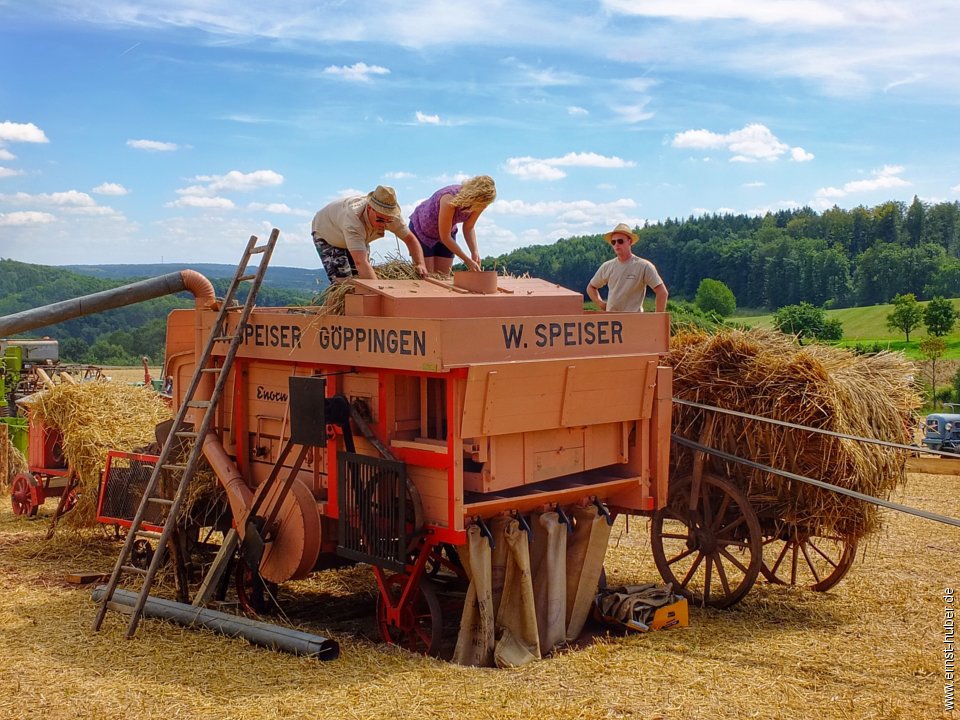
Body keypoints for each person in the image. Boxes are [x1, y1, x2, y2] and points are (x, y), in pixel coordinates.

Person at [311, 185, 427, 282]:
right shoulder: (353, 220)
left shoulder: (392, 217)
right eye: (380, 219)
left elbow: (411, 240)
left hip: (358, 236)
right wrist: (380, 292)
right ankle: (339, 309)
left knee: (361, 278)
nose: (383, 224)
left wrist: (420, 264)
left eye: (388, 220)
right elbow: (360, 262)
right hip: (328, 234)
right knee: (343, 281)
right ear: (370, 208)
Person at [408, 175, 496, 274]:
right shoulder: (449, 198)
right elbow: (445, 237)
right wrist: (467, 260)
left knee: (443, 275)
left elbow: (469, 227)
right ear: (474, 196)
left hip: (447, 232)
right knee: (427, 275)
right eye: (482, 202)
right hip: (422, 230)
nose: (484, 206)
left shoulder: (481, 204)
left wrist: (474, 252)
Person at [586, 222, 668, 312]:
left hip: (635, 320)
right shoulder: (606, 266)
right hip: (612, 322)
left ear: (630, 242)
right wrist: (601, 304)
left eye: (620, 241)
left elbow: (662, 292)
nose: (616, 244)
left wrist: (658, 319)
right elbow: (591, 287)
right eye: (613, 242)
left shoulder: (644, 266)